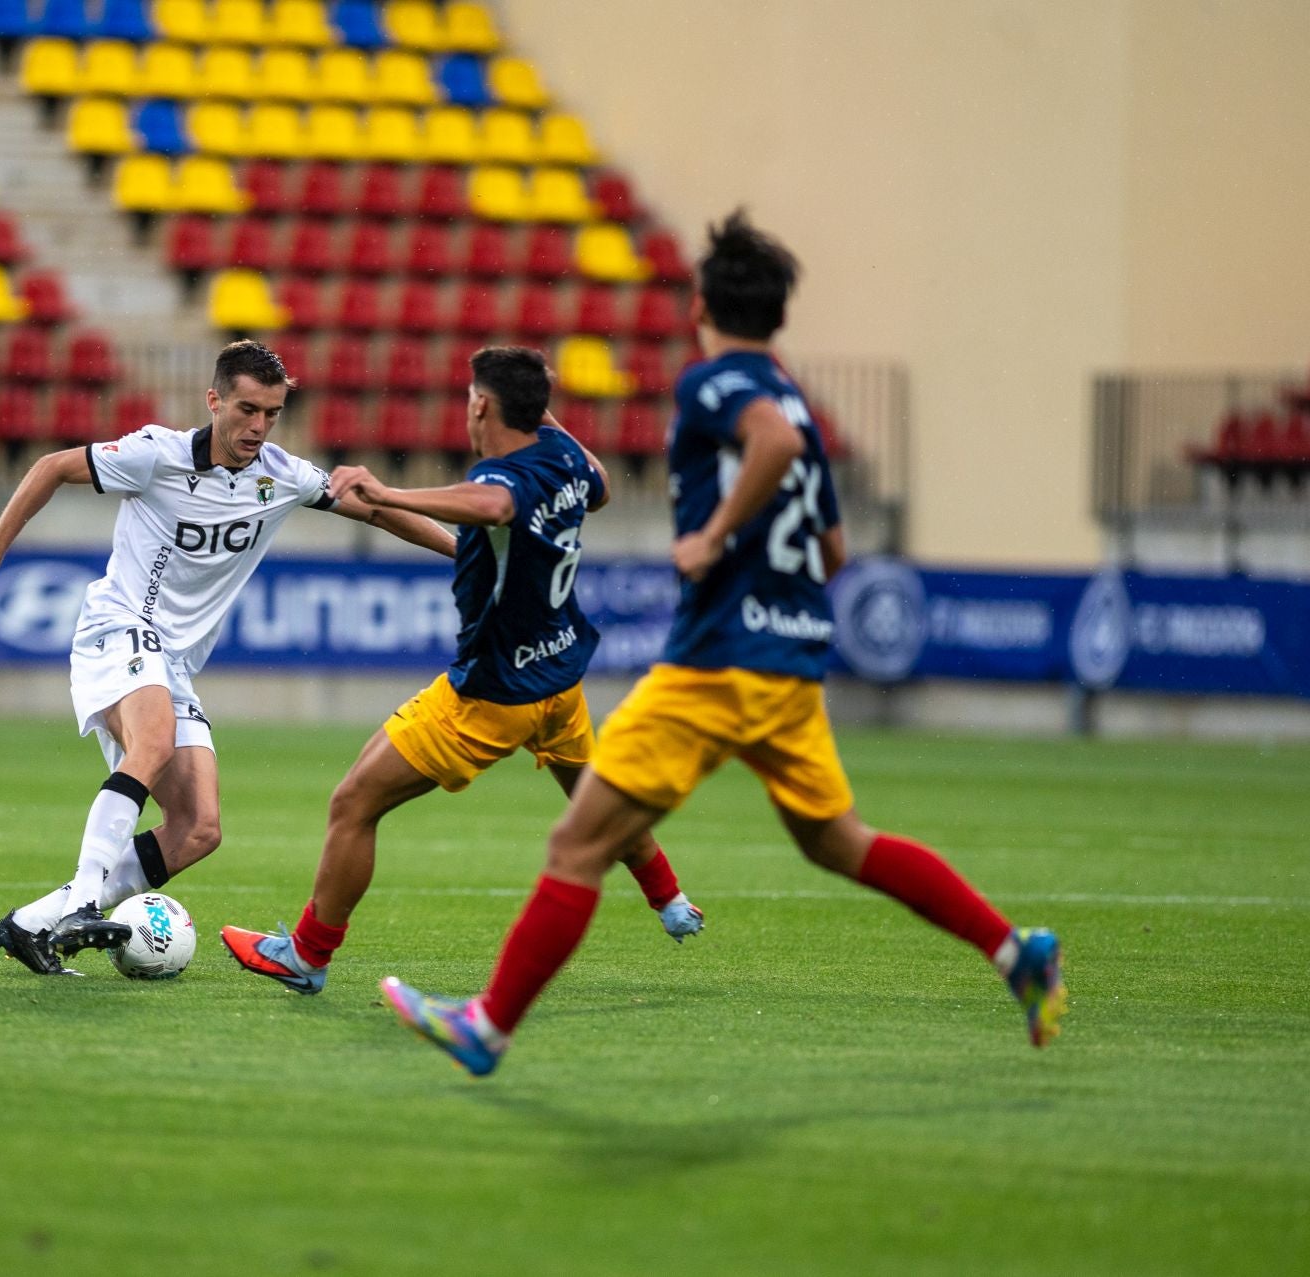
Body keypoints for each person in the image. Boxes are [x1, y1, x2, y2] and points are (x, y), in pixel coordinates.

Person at [381, 212, 1068, 1075]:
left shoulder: (715, 386)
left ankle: (487, 1027)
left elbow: (766, 450)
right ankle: (1015, 952)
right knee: (838, 841)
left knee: (577, 845)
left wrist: (713, 540)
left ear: (701, 302)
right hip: (789, 662)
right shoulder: (798, 406)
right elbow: (832, 550)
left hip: (715, 664)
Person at [219, 347, 704, 995]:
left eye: (471, 397)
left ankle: (307, 955)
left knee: (354, 803)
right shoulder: (566, 458)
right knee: (595, 796)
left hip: (492, 694)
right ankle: (669, 898)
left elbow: (494, 506)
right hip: (559, 679)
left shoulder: (501, 479)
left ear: (479, 404)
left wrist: (386, 488)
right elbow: (600, 488)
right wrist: (537, 413)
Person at [0, 340, 456, 973]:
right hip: (118, 627)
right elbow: (55, 466)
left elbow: (376, 509)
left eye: (272, 413)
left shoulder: (281, 476)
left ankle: (35, 923)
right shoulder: (156, 455)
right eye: (247, 410)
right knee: (156, 741)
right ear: (214, 400)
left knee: (199, 829)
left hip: (174, 660)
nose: (258, 426)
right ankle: (87, 899)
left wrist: (463, 556)